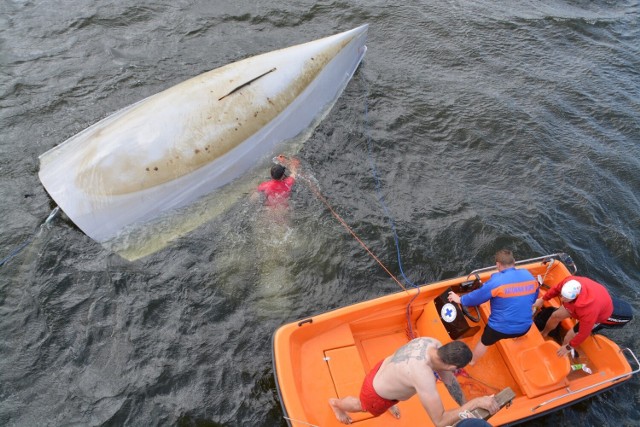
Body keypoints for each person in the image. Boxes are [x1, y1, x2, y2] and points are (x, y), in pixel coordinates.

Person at [328, 337, 499, 426]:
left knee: (395, 390)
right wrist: (474, 403)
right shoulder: (422, 376)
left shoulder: (433, 343)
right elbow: (439, 421)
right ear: (452, 366)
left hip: (385, 369)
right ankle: (336, 404)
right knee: (361, 406)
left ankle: (391, 400)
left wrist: (467, 405)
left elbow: (450, 381)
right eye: (456, 369)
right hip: (375, 394)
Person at [448, 249, 538, 364]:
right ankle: (516, 337)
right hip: (524, 328)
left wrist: (460, 299)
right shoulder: (529, 276)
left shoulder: (497, 281)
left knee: (484, 342)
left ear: (498, 265)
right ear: (514, 261)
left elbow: (477, 298)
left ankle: (472, 361)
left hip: (499, 329)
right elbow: (533, 299)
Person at [532, 276, 617, 357]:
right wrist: (543, 299)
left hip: (597, 314)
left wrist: (569, 347)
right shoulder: (569, 282)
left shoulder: (588, 311)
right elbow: (556, 289)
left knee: (570, 335)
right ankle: (544, 333)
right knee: (555, 315)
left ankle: (563, 351)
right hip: (576, 304)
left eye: (565, 298)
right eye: (561, 296)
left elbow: (583, 333)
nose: (562, 299)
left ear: (575, 297)